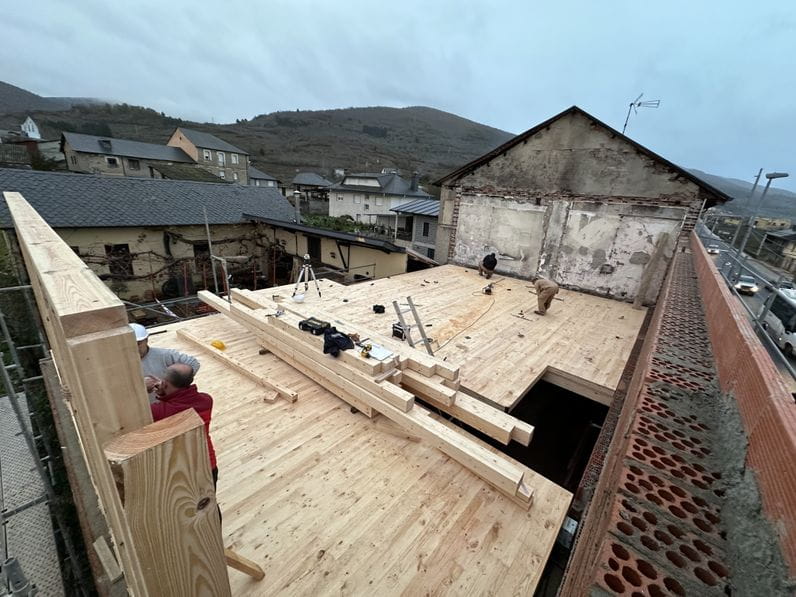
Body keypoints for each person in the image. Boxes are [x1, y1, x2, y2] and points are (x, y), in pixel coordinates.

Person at [151, 363, 219, 492]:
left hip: (183, 471)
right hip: (208, 463)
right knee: (210, 507)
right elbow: (181, 404)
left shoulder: (159, 411)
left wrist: (161, 395)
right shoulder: (207, 400)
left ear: (164, 384)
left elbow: (169, 409)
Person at [129, 323, 200, 402]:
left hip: (163, 406)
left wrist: (170, 385)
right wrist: (139, 386)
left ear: (146, 340)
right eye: (130, 344)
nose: (135, 348)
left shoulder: (164, 355)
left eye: (138, 343)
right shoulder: (117, 365)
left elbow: (193, 363)